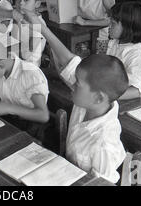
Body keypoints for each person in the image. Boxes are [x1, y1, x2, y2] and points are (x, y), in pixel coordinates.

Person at [20, 9, 128, 184]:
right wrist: (43, 29)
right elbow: (68, 60)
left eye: (77, 83)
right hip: (64, 173)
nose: (71, 83)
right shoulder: (88, 99)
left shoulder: (104, 145)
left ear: (99, 98)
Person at [106, 2, 141, 100]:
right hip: (111, 89)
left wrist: (107, 97)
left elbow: (137, 90)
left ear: (127, 27)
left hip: (125, 98)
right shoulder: (116, 41)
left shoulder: (135, 54)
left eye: (113, 24)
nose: (109, 27)